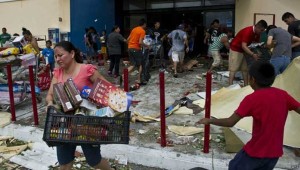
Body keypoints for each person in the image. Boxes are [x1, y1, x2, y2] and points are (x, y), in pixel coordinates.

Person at [196, 61, 300, 170]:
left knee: (234, 166)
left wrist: (209, 121)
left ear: (253, 79)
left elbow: (230, 122)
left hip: (255, 151)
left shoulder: (251, 99)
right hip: (275, 153)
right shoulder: (283, 95)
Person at [45, 41, 112, 170]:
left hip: (88, 124)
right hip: (64, 123)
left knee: (95, 161)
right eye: (56, 56)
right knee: (64, 164)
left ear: (72, 53)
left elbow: (107, 89)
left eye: (61, 55)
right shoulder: (57, 73)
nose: (58, 59)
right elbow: (50, 95)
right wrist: (49, 103)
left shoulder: (87, 70)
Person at [229, 20, 268, 86]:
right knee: (233, 68)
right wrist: (252, 54)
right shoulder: (248, 31)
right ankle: (230, 85)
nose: (261, 32)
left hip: (243, 50)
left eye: (263, 31)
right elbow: (243, 46)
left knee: (245, 69)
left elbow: (255, 44)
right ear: (257, 27)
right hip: (236, 49)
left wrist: (258, 52)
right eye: (261, 30)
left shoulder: (257, 33)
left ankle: (246, 85)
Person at [126, 18, 149, 84]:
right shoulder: (142, 31)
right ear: (144, 24)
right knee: (141, 64)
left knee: (133, 64)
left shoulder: (134, 29)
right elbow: (140, 42)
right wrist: (147, 46)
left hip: (130, 48)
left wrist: (131, 45)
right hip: (136, 49)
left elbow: (128, 39)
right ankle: (139, 80)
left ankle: (123, 76)